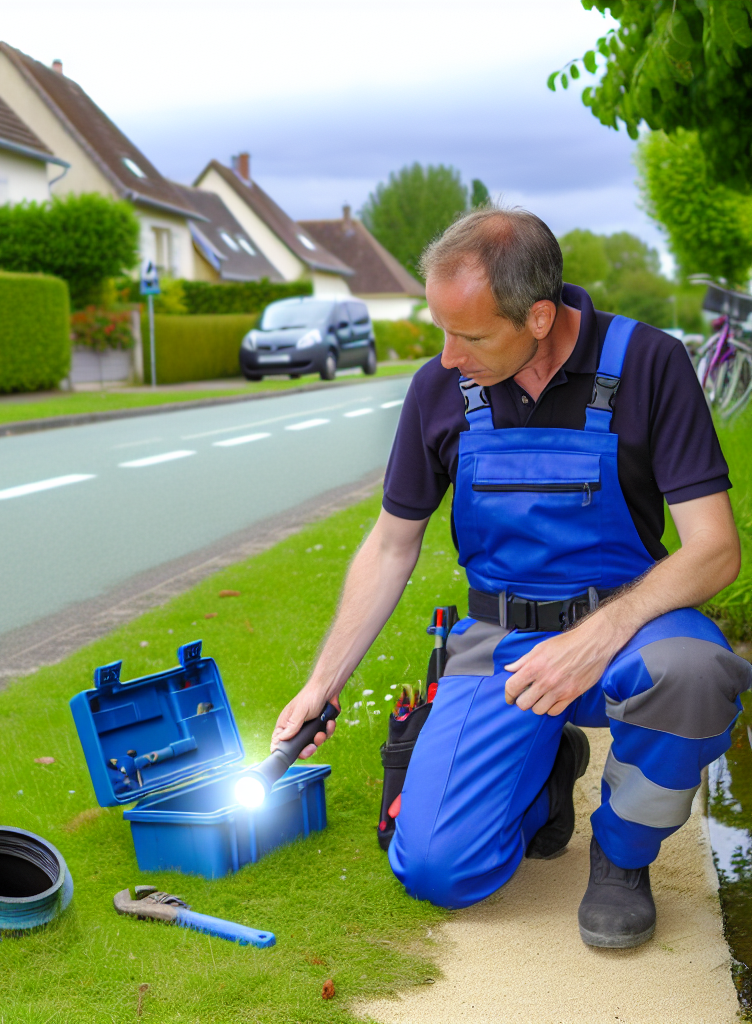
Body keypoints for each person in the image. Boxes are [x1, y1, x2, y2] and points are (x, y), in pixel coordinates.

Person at [270, 206, 750, 948]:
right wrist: (321, 685)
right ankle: (546, 774)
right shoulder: (440, 390)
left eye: (468, 335)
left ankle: (622, 856)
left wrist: (595, 639)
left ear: (538, 317)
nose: (446, 356)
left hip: (634, 628)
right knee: (437, 869)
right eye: (440, 331)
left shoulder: (649, 364)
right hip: (499, 642)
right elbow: (393, 545)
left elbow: (715, 550)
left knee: (696, 672)